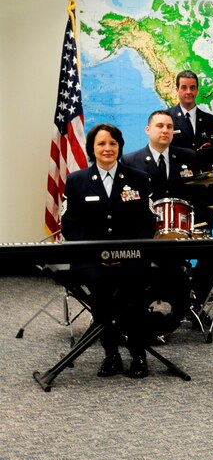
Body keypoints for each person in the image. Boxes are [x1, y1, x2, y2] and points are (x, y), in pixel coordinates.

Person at [61, 124, 158, 378]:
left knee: (134, 293)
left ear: (119, 147)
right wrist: (100, 256)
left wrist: (124, 254)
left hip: (131, 258)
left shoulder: (138, 178)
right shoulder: (77, 181)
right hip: (92, 261)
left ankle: (138, 353)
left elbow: (147, 223)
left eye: (112, 143)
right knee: (101, 294)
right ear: (92, 149)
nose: (107, 148)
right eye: (101, 144)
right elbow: (70, 226)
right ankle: (111, 353)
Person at [120, 110, 213, 323]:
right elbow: (126, 201)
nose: (165, 130)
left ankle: (196, 303)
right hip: (146, 232)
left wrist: (199, 222)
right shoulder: (130, 161)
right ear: (148, 130)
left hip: (181, 227)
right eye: (160, 126)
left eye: (169, 127)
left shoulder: (188, 157)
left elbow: (200, 193)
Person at [168, 70, 213, 150]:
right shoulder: (166, 118)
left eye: (192, 88)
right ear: (177, 90)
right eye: (184, 88)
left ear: (197, 90)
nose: (188, 92)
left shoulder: (211, 121)